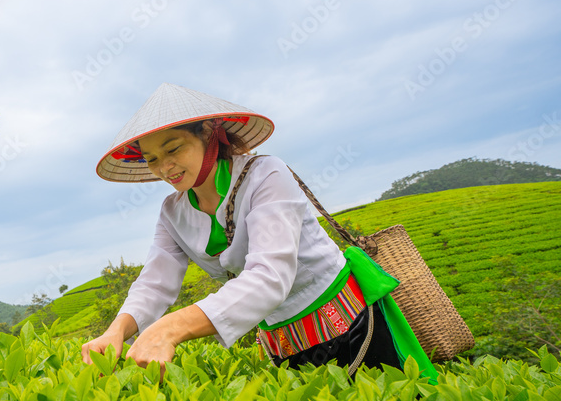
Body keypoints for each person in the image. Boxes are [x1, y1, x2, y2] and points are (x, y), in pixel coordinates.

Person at [81, 83, 437, 382]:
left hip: (349, 323)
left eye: (173, 149)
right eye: (152, 159)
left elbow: (270, 274)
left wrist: (171, 328)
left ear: (208, 134)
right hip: (282, 339)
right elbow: (155, 283)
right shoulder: (173, 211)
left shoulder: (266, 175)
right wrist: (116, 332)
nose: (164, 167)